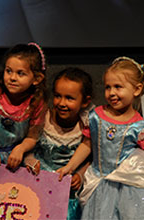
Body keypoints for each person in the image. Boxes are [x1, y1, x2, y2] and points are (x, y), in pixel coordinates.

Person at [57, 57, 144, 219]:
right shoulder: (96, 116)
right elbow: (87, 144)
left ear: (137, 89)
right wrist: (70, 166)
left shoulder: (139, 126)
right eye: (108, 87)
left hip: (127, 188)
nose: (111, 93)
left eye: (118, 87)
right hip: (98, 183)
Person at [24, 67, 93, 219]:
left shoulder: (87, 123)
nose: (62, 103)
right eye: (57, 96)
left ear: (85, 101)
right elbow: (28, 145)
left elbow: (91, 158)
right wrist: (30, 161)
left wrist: (80, 175)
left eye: (69, 98)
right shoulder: (43, 117)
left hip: (66, 193)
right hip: (38, 186)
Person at [0, 43, 47, 170]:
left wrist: (20, 149)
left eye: (20, 73)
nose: (12, 78)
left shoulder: (35, 102)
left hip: (14, 157)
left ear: (37, 79)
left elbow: (32, 137)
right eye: (9, 71)